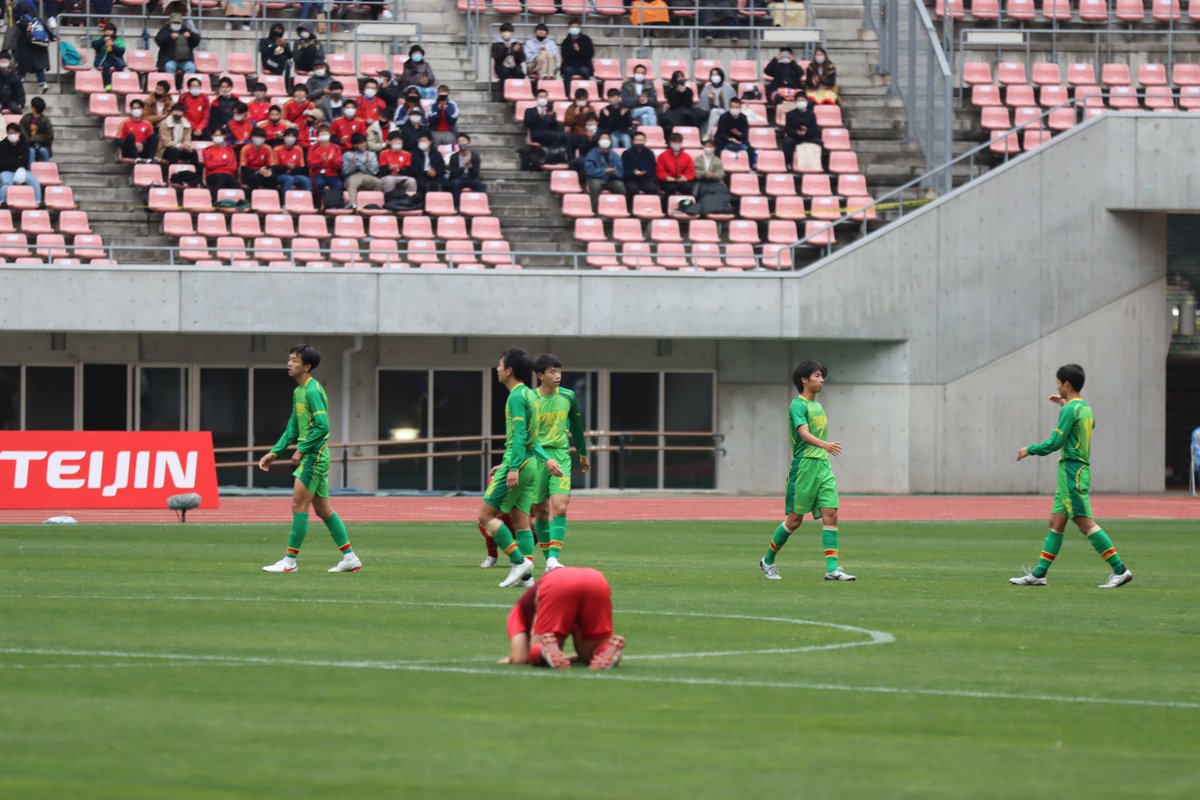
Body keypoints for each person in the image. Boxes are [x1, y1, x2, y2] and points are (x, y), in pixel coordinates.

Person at [1011, 364, 1133, 589]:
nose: (1056, 385)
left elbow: (1055, 443)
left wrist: (1030, 449)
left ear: (1066, 384)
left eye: (1058, 382)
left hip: (1071, 472)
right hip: (1076, 470)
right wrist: (1063, 404)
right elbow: (1083, 426)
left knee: (1084, 522)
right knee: (1056, 522)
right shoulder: (1085, 408)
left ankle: (1120, 570)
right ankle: (1039, 574)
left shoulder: (1070, 410)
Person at [260, 345, 361, 575]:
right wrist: (275, 452)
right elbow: (293, 426)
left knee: (299, 506)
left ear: (307, 366)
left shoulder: (313, 391)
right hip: (313, 456)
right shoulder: (299, 392)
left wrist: (302, 449)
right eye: (289, 359)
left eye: (294, 360)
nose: (289, 364)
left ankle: (289, 562)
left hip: (314, 458)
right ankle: (350, 558)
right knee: (324, 510)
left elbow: (324, 427)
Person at [759, 360, 856, 582]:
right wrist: (825, 445)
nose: (822, 380)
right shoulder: (798, 405)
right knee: (794, 521)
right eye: (817, 376)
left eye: (822, 376)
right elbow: (803, 434)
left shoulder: (818, 406)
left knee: (830, 514)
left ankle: (832, 569)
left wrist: (824, 450)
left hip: (823, 465)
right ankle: (768, 560)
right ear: (804, 379)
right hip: (804, 466)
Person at [478, 347, 562, 590]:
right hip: (531, 466)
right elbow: (533, 439)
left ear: (509, 370)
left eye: (500, 365)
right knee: (520, 520)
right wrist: (543, 459)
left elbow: (520, 436)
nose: (497, 369)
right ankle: (527, 578)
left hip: (519, 464)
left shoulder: (516, 396)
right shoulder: (530, 395)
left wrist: (512, 467)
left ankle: (519, 563)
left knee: (486, 516)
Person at [529, 354, 589, 570]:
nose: (557, 376)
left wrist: (582, 452)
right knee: (540, 513)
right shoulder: (530, 400)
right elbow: (528, 437)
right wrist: (545, 460)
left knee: (560, 508)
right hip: (537, 458)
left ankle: (554, 558)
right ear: (540, 375)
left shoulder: (568, 396)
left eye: (559, 371)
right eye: (552, 372)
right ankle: (548, 560)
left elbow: (577, 425)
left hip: (562, 456)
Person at [500, 567, 625, 670]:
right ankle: (608, 650)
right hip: (596, 579)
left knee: (538, 648)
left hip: (558, 583)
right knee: (591, 655)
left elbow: (519, 658)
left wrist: (508, 660)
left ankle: (545, 649)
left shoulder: (518, 612)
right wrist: (568, 658)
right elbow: (582, 655)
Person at [524, 88, 585, 160]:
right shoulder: (530, 111)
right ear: (536, 98)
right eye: (541, 97)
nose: (543, 99)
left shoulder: (550, 112)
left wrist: (551, 119)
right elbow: (527, 123)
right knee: (560, 136)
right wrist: (539, 115)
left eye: (545, 97)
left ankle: (571, 159)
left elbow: (555, 126)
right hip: (538, 135)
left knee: (568, 137)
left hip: (550, 133)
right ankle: (559, 157)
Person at [12, 2, 51, 93]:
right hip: (38, 46)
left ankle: (20, 81)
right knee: (39, 68)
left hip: (26, 47)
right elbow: (46, 30)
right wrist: (52, 37)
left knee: (22, 67)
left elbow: (20, 25)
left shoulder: (23, 19)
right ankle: (43, 83)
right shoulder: (38, 19)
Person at [155, 11, 200, 88]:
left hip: (185, 61)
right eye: (174, 22)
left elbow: (196, 41)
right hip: (170, 60)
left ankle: (185, 87)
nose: (176, 24)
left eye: (178, 23)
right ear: (170, 22)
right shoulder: (165, 30)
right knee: (169, 66)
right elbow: (158, 40)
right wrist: (169, 36)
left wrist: (191, 35)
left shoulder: (186, 30)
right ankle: (171, 87)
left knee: (191, 67)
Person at [0, 123, 40, 205]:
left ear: (19, 133)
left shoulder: (24, 143)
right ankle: (1, 203)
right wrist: (18, 160)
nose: (12, 135)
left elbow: (25, 160)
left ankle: (37, 202)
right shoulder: (2, 145)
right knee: (6, 184)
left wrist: (14, 162)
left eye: (14, 133)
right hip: (6, 171)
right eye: (10, 133)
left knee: (34, 181)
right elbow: (3, 162)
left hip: (21, 170)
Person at [583, 134, 623, 211]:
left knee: (621, 186)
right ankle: (592, 210)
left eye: (607, 138)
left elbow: (620, 169)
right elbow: (590, 171)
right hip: (596, 179)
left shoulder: (615, 155)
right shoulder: (592, 154)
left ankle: (620, 209)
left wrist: (614, 172)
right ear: (598, 141)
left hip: (611, 179)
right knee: (596, 186)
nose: (605, 140)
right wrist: (604, 171)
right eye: (602, 138)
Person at [782, 93, 821, 169]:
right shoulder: (790, 114)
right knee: (787, 142)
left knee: (820, 143)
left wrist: (807, 131)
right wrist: (797, 133)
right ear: (796, 102)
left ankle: (819, 163)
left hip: (808, 137)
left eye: (803, 100)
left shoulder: (811, 114)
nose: (801, 102)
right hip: (795, 137)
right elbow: (788, 129)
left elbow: (814, 129)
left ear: (806, 102)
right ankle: (788, 163)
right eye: (799, 101)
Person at [156, 103, 198, 174]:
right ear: (172, 111)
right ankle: (173, 175)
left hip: (181, 148)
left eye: (180, 111)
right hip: (165, 149)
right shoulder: (164, 123)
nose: (177, 113)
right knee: (174, 151)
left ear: (183, 113)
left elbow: (187, 139)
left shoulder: (187, 124)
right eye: (175, 111)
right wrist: (180, 146)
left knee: (193, 152)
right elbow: (166, 142)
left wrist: (186, 145)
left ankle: (195, 175)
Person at [446, 132, 484, 210]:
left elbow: (476, 173)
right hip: (459, 178)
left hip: (471, 178)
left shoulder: (475, 156)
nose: (461, 143)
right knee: (455, 183)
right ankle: (457, 207)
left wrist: (470, 166)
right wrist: (462, 167)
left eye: (463, 141)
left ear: (468, 143)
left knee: (478, 183)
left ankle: (480, 205)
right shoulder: (454, 157)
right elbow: (453, 174)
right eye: (459, 142)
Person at [341, 132, 380, 207]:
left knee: (378, 182)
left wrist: (367, 164)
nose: (364, 145)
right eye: (360, 143)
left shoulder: (371, 154)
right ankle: (353, 205)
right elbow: (344, 172)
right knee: (353, 182)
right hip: (352, 176)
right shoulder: (347, 154)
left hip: (367, 176)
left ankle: (373, 205)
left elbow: (374, 172)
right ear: (354, 145)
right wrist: (353, 164)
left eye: (364, 142)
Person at [621, 130, 657, 211]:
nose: (639, 142)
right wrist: (633, 173)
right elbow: (623, 171)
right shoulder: (626, 153)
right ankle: (631, 210)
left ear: (645, 141)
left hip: (645, 179)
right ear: (633, 141)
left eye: (641, 140)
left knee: (653, 189)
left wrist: (646, 173)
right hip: (631, 179)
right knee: (632, 189)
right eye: (637, 140)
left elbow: (653, 170)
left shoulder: (649, 153)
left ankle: (651, 209)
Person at [656, 133, 694, 209]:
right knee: (671, 187)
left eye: (678, 142)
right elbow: (660, 171)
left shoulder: (687, 157)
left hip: (681, 181)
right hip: (667, 181)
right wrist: (667, 177)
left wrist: (685, 178)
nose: (676, 144)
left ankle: (687, 207)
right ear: (670, 143)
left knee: (688, 187)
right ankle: (667, 208)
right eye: (674, 142)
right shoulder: (663, 156)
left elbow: (691, 172)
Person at [714, 98, 755, 168]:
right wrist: (730, 139)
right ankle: (719, 168)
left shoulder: (743, 118)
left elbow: (745, 135)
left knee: (750, 149)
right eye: (732, 107)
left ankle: (750, 167)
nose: (735, 109)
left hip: (739, 140)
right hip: (725, 139)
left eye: (737, 107)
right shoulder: (723, 117)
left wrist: (738, 133)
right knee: (718, 147)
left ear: (740, 107)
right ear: (729, 107)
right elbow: (721, 133)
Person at [307, 126, 343, 206]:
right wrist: (321, 161)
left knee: (338, 184)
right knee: (320, 183)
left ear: (330, 135)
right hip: (317, 174)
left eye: (326, 133)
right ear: (318, 136)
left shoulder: (336, 148)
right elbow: (310, 164)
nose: (324, 135)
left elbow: (338, 165)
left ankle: (335, 205)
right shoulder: (313, 148)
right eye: (321, 133)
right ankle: (321, 205)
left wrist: (332, 160)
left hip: (332, 174)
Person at [201, 130, 241, 197]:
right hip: (212, 175)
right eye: (215, 135)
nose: (218, 137)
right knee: (220, 178)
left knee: (236, 184)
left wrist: (217, 164)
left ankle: (239, 202)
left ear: (224, 136)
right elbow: (209, 165)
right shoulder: (206, 150)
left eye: (220, 135)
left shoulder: (230, 151)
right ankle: (215, 201)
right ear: (212, 136)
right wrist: (224, 162)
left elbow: (233, 167)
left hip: (228, 175)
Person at [698, 67, 736, 138]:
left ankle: (708, 134)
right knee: (714, 113)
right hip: (711, 114)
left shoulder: (729, 89)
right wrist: (710, 101)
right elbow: (703, 108)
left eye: (717, 75)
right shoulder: (706, 89)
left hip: (726, 112)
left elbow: (733, 105)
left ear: (721, 76)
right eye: (713, 75)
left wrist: (722, 100)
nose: (715, 77)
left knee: (715, 112)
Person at [661, 70, 703, 134]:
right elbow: (673, 104)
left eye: (681, 77)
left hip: (686, 111)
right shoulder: (670, 90)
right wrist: (677, 92)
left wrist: (684, 92)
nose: (680, 79)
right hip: (674, 111)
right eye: (678, 77)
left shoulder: (688, 90)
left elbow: (689, 104)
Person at [490, 22, 524, 99]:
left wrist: (517, 52)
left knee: (520, 73)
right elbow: (497, 57)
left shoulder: (516, 43)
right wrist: (505, 49)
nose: (507, 33)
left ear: (512, 32)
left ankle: (519, 93)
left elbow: (522, 59)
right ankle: (503, 95)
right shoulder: (496, 44)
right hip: (501, 65)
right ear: (501, 32)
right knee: (505, 72)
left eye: (509, 31)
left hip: (514, 65)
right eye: (504, 31)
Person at [273, 129, 311, 195]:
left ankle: (307, 201)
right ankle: (285, 203)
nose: (290, 138)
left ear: (296, 139)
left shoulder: (298, 149)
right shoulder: (276, 149)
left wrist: (293, 168)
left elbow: (302, 168)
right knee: (289, 179)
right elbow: (274, 168)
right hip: (281, 175)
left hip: (294, 175)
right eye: (288, 136)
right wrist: (286, 167)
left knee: (305, 180)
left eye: (293, 137)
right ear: (284, 137)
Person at [405, 133, 445, 197]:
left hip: (435, 176)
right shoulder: (414, 154)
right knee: (421, 184)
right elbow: (412, 169)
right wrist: (425, 172)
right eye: (420, 141)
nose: (421, 142)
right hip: (421, 175)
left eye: (424, 140)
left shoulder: (436, 154)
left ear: (430, 142)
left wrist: (436, 172)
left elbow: (442, 168)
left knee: (445, 183)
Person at [91, 21, 126, 92]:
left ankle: (119, 84)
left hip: (115, 58)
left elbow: (121, 51)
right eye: (107, 30)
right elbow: (94, 45)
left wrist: (113, 45)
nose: (108, 32)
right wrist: (103, 41)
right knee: (106, 66)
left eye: (110, 30)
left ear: (114, 31)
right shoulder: (100, 38)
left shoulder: (119, 40)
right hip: (103, 59)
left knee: (119, 66)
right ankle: (107, 85)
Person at [378, 131, 416, 196]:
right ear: (389, 142)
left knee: (411, 181)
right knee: (390, 180)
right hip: (388, 176)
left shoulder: (407, 154)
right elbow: (382, 170)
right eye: (395, 140)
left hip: (401, 176)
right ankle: (390, 200)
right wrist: (390, 168)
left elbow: (408, 171)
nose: (398, 142)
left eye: (399, 140)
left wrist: (398, 169)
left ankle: (410, 201)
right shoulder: (383, 153)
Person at [621, 64, 658, 128]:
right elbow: (625, 100)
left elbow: (654, 99)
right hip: (631, 111)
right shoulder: (627, 85)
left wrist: (647, 100)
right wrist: (638, 100)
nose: (640, 74)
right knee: (650, 109)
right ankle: (654, 130)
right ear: (634, 73)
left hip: (644, 112)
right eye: (638, 72)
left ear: (644, 75)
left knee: (645, 117)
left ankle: (647, 135)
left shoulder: (649, 85)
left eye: (642, 73)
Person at [258, 23, 292, 90]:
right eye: (277, 30)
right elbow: (264, 52)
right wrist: (275, 45)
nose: (279, 32)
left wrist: (285, 46)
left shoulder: (283, 42)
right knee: (283, 65)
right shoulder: (264, 41)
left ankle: (284, 88)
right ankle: (282, 87)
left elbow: (290, 55)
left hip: (280, 63)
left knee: (286, 64)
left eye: (280, 30)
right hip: (268, 61)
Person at [19, 96, 52, 163]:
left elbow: (49, 137)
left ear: (33, 108)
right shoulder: (26, 118)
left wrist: (34, 139)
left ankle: (47, 169)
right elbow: (22, 132)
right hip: (28, 145)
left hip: (42, 145)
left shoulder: (45, 121)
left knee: (43, 151)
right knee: (31, 151)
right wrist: (28, 140)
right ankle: (31, 171)